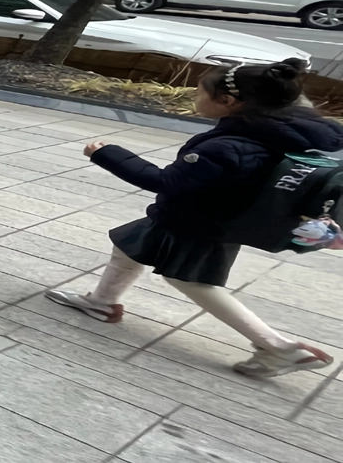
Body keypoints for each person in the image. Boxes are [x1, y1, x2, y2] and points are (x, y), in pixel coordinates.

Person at [47, 59, 339, 377]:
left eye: (199, 92)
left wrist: (106, 154)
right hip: (205, 216)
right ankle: (102, 302)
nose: (193, 97)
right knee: (130, 246)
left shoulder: (226, 146)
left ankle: (277, 347)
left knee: (192, 281)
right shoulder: (282, 130)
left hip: (199, 224)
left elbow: (166, 182)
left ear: (227, 101)